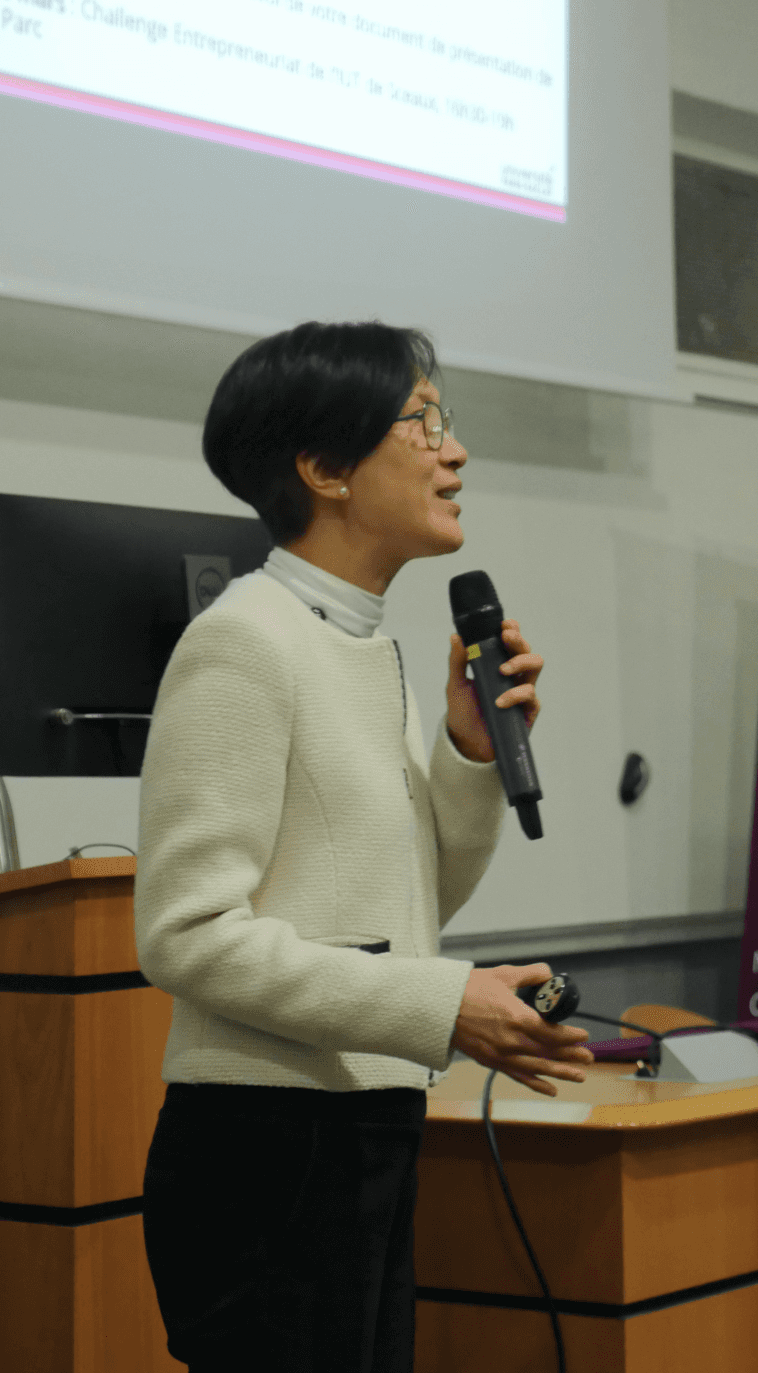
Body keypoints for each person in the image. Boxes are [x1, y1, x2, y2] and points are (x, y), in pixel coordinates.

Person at [136, 320, 593, 1372]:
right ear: (324, 468)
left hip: (359, 1124)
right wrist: (444, 1005)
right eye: (421, 421)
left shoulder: (358, 640)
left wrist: (468, 756)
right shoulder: (246, 640)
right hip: (266, 1146)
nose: (454, 449)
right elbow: (186, 934)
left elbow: (406, 902)